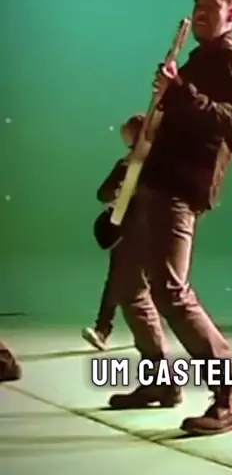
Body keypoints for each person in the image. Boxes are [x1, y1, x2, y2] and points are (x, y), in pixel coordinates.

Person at [109, 0, 232, 436]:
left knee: (171, 291)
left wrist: (180, 93)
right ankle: (160, 382)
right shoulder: (196, 61)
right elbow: (181, 122)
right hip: (154, 184)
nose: (200, 11)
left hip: (178, 188)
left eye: (212, 4)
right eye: (197, 3)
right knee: (129, 284)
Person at [82, 114, 145, 351]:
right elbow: (103, 193)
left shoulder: (150, 166)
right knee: (119, 280)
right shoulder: (126, 164)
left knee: (137, 284)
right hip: (124, 231)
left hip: (142, 230)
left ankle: (110, 330)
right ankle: (104, 330)